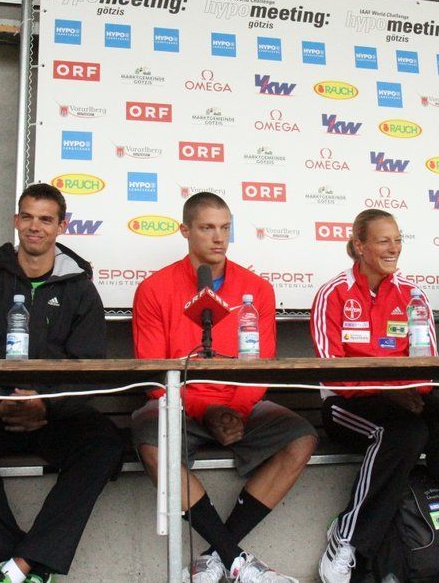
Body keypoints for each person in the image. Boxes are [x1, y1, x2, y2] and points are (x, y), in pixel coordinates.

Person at [0, 183, 123, 583]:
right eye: (28, 217)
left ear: (61, 226)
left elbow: (89, 369)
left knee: (105, 445)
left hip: (56, 416)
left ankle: (16, 568)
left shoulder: (80, 290)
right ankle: (24, 565)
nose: (35, 227)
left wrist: (46, 402)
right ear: (16, 221)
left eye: (46, 219)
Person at [132, 192, 317, 583]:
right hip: (179, 406)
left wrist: (236, 410)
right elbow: (155, 377)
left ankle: (218, 555)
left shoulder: (257, 289)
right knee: (150, 438)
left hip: (239, 406)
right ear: (185, 230)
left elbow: (260, 367)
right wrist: (207, 411)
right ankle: (238, 560)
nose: (219, 238)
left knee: (301, 437)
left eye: (225, 228)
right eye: (207, 228)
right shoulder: (154, 288)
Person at [310, 209, 439, 583]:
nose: (393, 248)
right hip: (346, 402)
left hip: (404, 397)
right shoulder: (333, 293)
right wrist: (389, 391)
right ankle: (348, 538)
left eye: (398, 240)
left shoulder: (412, 295)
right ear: (359, 245)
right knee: (402, 433)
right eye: (383, 240)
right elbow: (331, 369)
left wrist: (405, 391)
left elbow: (426, 363)